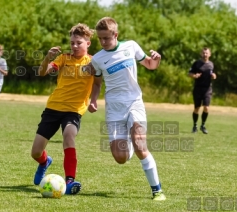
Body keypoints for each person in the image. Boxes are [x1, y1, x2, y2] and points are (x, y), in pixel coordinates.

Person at [88, 17, 166, 201]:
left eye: (106, 38)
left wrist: (157, 60)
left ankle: (157, 190)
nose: (103, 42)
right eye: (100, 39)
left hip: (134, 102)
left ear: (116, 34)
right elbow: (97, 83)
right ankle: (128, 144)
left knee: (141, 144)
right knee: (120, 158)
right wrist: (93, 100)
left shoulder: (131, 46)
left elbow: (150, 65)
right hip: (114, 109)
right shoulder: (98, 59)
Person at [31, 23, 94, 195]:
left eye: (78, 42)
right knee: (36, 152)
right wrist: (47, 58)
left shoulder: (93, 62)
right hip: (53, 108)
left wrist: (94, 100)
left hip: (74, 110)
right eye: (72, 42)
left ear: (88, 43)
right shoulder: (64, 58)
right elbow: (43, 72)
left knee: (69, 135)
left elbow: (99, 81)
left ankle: (70, 181)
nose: (74, 46)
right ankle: (44, 162)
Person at [188, 47, 216, 134]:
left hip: (207, 89)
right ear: (201, 54)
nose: (205, 55)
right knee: (197, 108)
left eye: (206, 53)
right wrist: (194, 76)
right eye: (203, 53)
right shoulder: (197, 63)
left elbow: (213, 74)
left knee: (206, 108)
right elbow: (189, 73)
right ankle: (195, 126)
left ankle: (203, 125)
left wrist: (214, 76)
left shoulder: (211, 64)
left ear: (209, 54)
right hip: (198, 88)